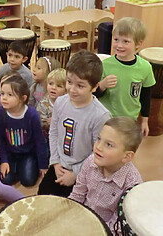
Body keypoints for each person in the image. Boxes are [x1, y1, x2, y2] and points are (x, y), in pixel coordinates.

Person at [38, 50, 111, 197]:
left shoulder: (101, 115)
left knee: (72, 209)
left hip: (83, 171)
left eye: (80, 85)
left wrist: (75, 174)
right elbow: (54, 132)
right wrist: (55, 161)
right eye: (69, 82)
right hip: (59, 164)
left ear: (95, 87)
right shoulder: (60, 102)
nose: (72, 89)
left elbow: (97, 152)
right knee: (43, 196)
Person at [69, 116, 143, 234]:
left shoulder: (132, 185)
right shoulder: (90, 161)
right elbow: (78, 194)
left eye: (109, 144)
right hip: (83, 217)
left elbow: (117, 226)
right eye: (99, 139)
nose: (98, 147)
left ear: (126, 156)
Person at [96, 17, 155, 137]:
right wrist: (102, 85)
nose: (119, 45)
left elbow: (145, 96)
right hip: (106, 117)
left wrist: (144, 121)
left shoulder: (145, 67)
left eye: (126, 41)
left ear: (138, 44)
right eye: (116, 39)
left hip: (129, 120)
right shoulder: (105, 65)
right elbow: (94, 94)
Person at [0, 75, 48, 187]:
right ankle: (16, 168)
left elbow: (39, 141)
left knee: (28, 181)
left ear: (23, 98)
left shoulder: (32, 115)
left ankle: (25, 166)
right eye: (2, 93)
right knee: (6, 180)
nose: (3, 98)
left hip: (28, 153)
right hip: (10, 153)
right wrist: (4, 160)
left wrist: (43, 165)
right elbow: (0, 139)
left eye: (10, 95)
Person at [36, 68, 67, 139]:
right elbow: (38, 122)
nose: (53, 88)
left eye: (59, 86)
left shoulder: (67, 104)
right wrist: (47, 123)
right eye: (50, 84)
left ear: (65, 90)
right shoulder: (43, 104)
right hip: (47, 137)